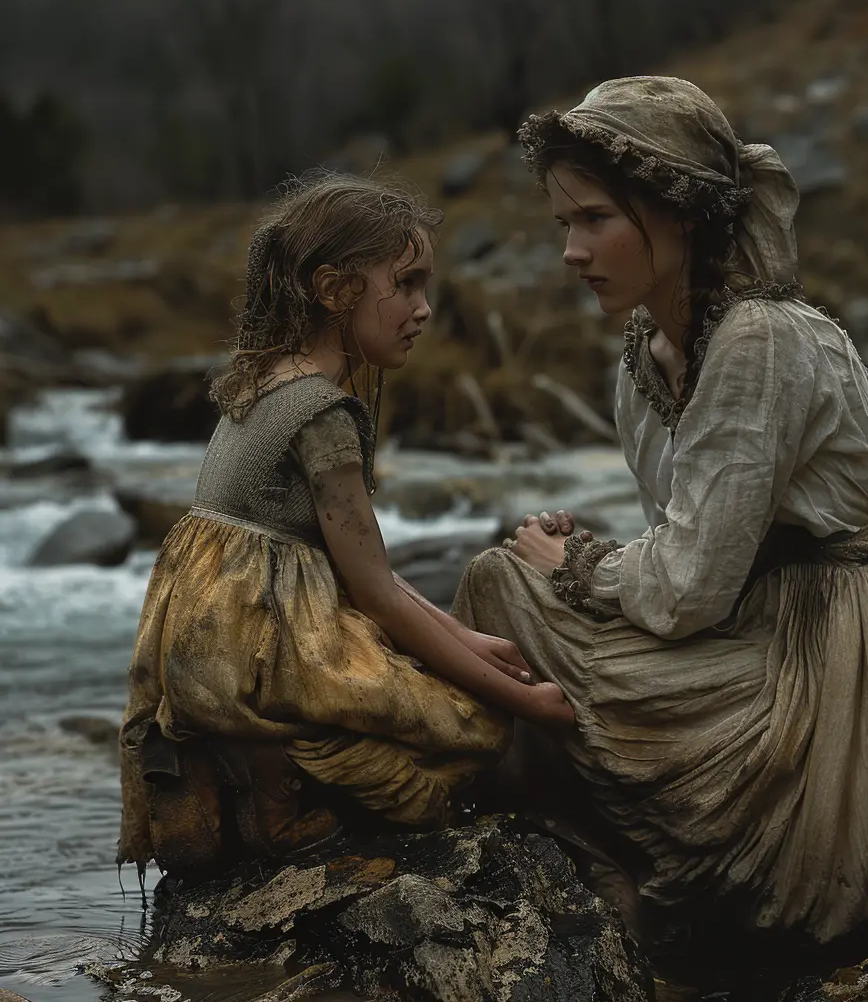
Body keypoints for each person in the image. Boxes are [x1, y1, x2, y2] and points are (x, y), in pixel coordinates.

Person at [452, 76, 868, 946]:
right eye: (562, 225)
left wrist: (580, 569)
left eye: (594, 220)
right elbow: (698, 545)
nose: (572, 253)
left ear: (677, 213)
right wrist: (602, 563)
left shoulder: (761, 341)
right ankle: (586, 861)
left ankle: (623, 870)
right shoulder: (644, 356)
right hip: (746, 624)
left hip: (826, 655)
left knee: (509, 582)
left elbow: (691, 586)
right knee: (500, 582)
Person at [117, 171, 573, 881]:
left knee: (445, 681)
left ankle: (239, 764)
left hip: (203, 656)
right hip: (262, 654)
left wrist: (470, 639)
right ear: (334, 290)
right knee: (476, 729)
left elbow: (364, 575)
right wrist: (527, 701)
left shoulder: (262, 380)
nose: (424, 309)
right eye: (407, 284)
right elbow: (378, 593)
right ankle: (282, 775)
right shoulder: (324, 414)